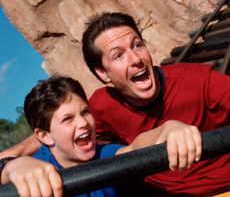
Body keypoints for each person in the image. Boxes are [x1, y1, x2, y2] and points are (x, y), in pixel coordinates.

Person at [1, 12, 230, 196]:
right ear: (104, 74)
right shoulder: (102, 104)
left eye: (137, 45)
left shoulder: (198, 79)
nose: (135, 59)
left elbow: (135, 147)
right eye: (118, 55)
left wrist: (167, 129)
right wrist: (10, 161)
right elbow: (58, 126)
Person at [1, 76, 202, 197]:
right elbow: (12, 173)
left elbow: (133, 149)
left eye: (85, 112)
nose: (83, 123)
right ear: (44, 136)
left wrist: (167, 129)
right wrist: (11, 167)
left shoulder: (101, 153)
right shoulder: (35, 167)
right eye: (68, 119)